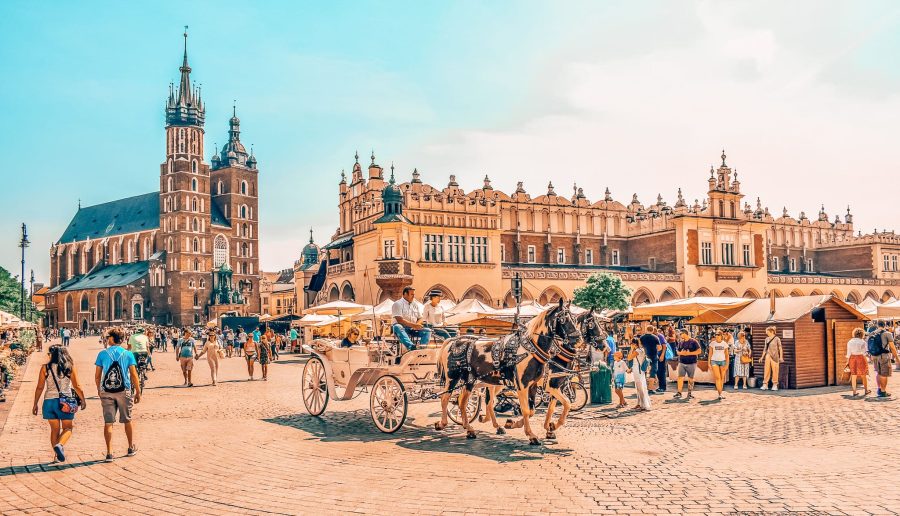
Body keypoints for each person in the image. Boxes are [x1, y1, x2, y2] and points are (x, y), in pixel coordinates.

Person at [32, 345, 87, 463]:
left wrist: (35, 403)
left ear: (52, 355)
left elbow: (39, 387)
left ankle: (56, 457)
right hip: (65, 401)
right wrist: (83, 399)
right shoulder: (69, 367)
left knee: (54, 430)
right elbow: (77, 386)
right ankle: (60, 445)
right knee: (68, 428)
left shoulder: (45, 368)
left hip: (49, 402)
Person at [95, 328, 141, 462]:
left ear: (111, 339)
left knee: (108, 422)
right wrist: (137, 391)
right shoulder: (128, 354)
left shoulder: (102, 354)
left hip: (107, 391)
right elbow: (133, 375)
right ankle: (131, 447)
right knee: (127, 420)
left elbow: (97, 376)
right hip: (124, 390)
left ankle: (109, 453)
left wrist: (99, 389)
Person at [391, 287, 432, 351]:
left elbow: (421, 318)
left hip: (412, 328)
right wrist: (414, 325)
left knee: (427, 330)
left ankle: (421, 349)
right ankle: (411, 347)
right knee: (397, 326)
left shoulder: (415, 305)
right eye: (412, 294)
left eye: (414, 294)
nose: (413, 296)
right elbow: (399, 320)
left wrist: (417, 325)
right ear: (405, 294)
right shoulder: (397, 304)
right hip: (402, 328)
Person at [869, 321, 899, 397]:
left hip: (875, 356)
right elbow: (892, 347)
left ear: (877, 325)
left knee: (878, 372)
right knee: (884, 374)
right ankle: (883, 391)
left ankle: (879, 389)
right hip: (884, 356)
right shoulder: (888, 334)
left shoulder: (872, 333)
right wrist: (897, 359)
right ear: (884, 325)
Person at [674, 330, 701, 400]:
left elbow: (699, 351)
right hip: (682, 362)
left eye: (681, 334)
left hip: (691, 362)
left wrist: (689, 353)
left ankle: (689, 393)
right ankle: (679, 392)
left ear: (685, 334)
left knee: (690, 378)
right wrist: (681, 353)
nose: (680, 335)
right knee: (680, 377)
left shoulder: (694, 341)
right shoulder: (681, 342)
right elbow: (677, 351)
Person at [845, 328, 870, 397]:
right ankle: (866, 390)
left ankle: (854, 391)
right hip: (861, 358)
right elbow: (865, 353)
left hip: (852, 358)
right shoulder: (863, 342)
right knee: (863, 374)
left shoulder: (850, 341)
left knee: (853, 375)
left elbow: (848, 353)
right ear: (862, 334)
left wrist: (847, 362)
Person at [627, 343, 651, 410]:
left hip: (638, 370)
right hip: (638, 370)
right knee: (639, 388)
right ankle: (639, 403)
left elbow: (629, 358)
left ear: (634, 344)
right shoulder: (641, 350)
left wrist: (631, 349)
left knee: (640, 388)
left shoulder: (637, 351)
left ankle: (643, 405)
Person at [760, 326, 784, 391]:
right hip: (768, 355)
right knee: (766, 370)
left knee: (775, 370)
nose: (766, 332)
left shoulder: (777, 339)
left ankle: (775, 384)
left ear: (771, 331)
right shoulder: (766, 339)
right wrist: (762, 357)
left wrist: (781, 357)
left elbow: (780, 348)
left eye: (767, 331)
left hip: (775, 356)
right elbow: (765, 349)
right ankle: (765, 384)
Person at [638, 326, 661, 393]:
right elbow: (659, 348)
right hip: (653, 356)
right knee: (653, 372)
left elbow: (640, 346)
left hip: (644, 356)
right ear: (653, 330)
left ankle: (643, 387)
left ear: (646, 329)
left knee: (643, 371)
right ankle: (650, 388)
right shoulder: (655, 337)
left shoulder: (642, 337)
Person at [708, 330, 730, 400]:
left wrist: (727, 364)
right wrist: (709, 363)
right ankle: (720, 394)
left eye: (718, 334)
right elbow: (710, 354)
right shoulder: (712, 343)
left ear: (721, 336)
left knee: (722, 378)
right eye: (716, 334)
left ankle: (721, 393)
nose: (716, 336)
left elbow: (727, 355)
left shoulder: (724, 344)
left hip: (723, 361)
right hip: (714, 361)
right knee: (717, 378)